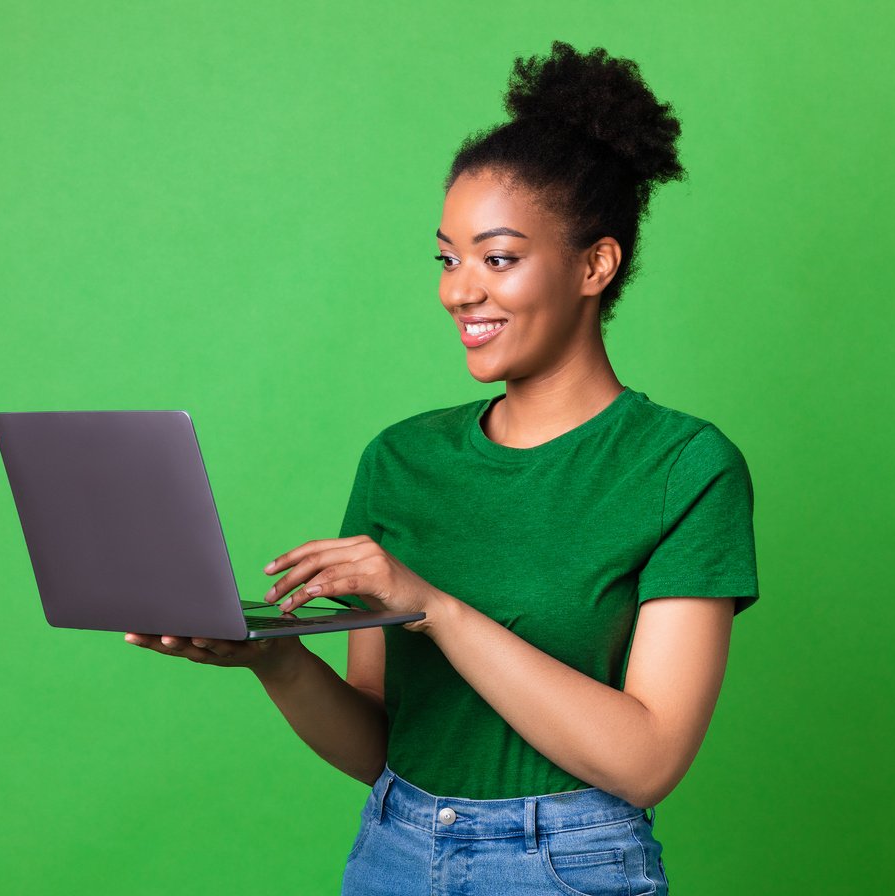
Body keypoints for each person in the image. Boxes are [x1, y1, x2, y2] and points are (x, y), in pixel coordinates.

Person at [125, 39, 759, 896]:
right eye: (448, 257)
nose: (459, 291)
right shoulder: (401, 460)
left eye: (497, 258)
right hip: (395, 849)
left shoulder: (683, 467)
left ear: (594, 265)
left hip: (565, 865)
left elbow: (646, 761)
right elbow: (387, 743)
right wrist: (271, 660)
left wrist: (432, 607)